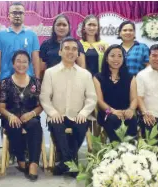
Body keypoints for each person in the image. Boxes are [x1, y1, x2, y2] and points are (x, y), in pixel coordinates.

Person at [40, 37, 97, 176]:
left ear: (78, 53)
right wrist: (52, 112)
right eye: (66, 48)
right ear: (60, 52)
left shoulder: (85, 74)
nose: (70, 52)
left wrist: (84, 113)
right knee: (57, 125)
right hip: (58, 115)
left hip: (78, 115)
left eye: (74, 49)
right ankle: (70, 163)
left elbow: (91, 98)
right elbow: (44, 97)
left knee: (81, 125)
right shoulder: (50, 73)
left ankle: (65, 163)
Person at [0, 50, 43, 181]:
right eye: (18, 61)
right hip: (11, 117)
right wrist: (10, 116)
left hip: (30, 116)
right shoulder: (5, 83)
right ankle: (21, 159)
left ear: (29, 64)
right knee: (14, 125)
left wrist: (32, 113)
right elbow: (0, 107)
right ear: (13, 64)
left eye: (24, 62)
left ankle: (33, 163)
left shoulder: (35, 82)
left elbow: (41, 105)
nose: (21, 64)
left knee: (35, 124)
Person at [93, 44, 137, 142]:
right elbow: (99, 100)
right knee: (113, 119)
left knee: (132, 120)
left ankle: (131, 152)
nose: (116, 59)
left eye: (119, 56)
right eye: (112, 56)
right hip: (107, 113)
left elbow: (134, 99)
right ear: (106, 59)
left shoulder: (130, 77)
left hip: (125, 112)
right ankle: (117, 151)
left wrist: (131, 109)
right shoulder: (98, 77)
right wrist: (113, 111)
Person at [0, 2, 40, 83]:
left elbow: (36, 60)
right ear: (9, 15)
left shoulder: (32, 35)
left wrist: (37, 80)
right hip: (5, 79)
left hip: (27, 80)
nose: (17, 15)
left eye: (20, 13)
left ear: (24, 15)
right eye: (14, 13)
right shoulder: (0, 35)